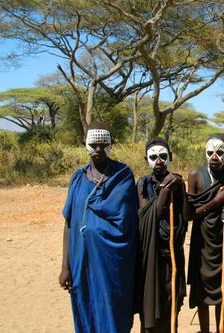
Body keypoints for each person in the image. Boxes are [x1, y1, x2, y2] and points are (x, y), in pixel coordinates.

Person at [58, 121, 138, 333]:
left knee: (114, 310)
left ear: (112, 144)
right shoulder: (77, 178)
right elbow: (69, 224)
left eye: (104, 144)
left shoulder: (123, 176)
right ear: (84, 143)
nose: (99, 149)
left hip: (113, 264)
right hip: (81, 263)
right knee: (86, 309)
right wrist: (65, 266)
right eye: (94, 144)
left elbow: (127, 223)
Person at [187, 133, 224, 333]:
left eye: (220, 152)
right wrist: (217, 201)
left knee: (222, 289)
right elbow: (189, 214)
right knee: (202, 290)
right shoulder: (195, 175)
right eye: (211, 152)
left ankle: (220, 328)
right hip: (202, 242)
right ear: (205, 153)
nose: (215, 156)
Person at [136, 137, 188, 332]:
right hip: (152, 256)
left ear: (170, 157)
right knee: (150, 305)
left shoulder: (177, 182)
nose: (158, 160)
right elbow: (148, 217)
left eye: (163, 156)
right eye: (153, 157)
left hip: (174, 252)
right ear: (146, 159)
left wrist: (180, 186)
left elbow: (186, 215)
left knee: (172, 304)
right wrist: (164, 191)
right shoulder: (143, 184)